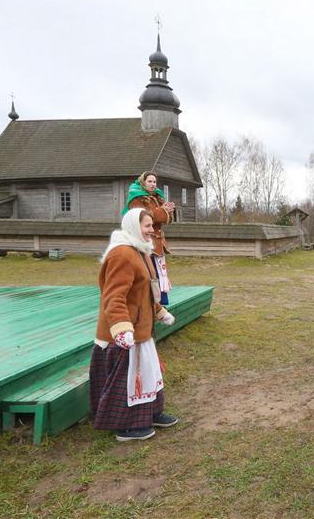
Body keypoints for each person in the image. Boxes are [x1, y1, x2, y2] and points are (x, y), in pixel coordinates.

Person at [90, 208, 178, 442]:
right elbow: (114, 296)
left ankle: (151, 413)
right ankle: (127, 426)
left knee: (149, 374)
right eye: (147, 226)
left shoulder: (141, 252)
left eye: (152, 225)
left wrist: (159, 312)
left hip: (142, 330)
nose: (152, 230)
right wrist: (121, 327)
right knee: (129, 381)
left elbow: (145, 291)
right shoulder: (122, 254)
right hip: (126, 334)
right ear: (132, 226)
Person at [124, 171, 175, 305]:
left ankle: (160, 303)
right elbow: (141, 216)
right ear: (143, 182)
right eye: (150, 181)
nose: (153, 184)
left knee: (159, 272)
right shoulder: (136, 198)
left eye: (154, 182)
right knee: (147, 273)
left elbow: (164, 219)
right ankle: (147, 302)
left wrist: (168, 211)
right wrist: (162, 211)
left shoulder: (157, 197)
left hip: (157, 241)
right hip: (144, 240)